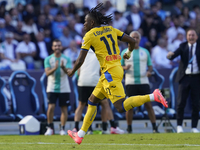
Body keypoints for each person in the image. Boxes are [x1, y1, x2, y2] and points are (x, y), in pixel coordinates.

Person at [67, 3, 168, 145]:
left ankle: (153, 96)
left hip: (109, 73)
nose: (83, 24)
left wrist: (72, 71)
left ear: (91, 22)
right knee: (92, 100)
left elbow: (79, 60)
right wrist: (128, 53)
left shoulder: (89, 35)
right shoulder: (111, 29)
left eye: (85, 21)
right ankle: (80, 135)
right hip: (113, 70)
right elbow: (132, 41)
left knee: (120, 107)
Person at [73, 49, 124, 134]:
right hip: (95, 81)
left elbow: (78, 71)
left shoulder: (82, 51)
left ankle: (77, 128)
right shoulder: (101, 51)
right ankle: (111, 127)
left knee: (82, 105)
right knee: (105, 104)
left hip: (82, 81)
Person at [121, 31, 159, 133]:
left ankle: (154, 128)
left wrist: (149, 72)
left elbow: (150, 66)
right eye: (133, 37)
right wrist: (125, 67)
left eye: (137, 37)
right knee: (130, 106)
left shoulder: (145, 52)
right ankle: (129, 129)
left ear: (140, 39)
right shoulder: (125, 52)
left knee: (148, 105)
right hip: (130, 82)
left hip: (143, 82)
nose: (135, 39)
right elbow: (119, 66)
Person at [167, 29, 200, 133]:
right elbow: (173, 55)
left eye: (193, 35)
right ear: (186, 37)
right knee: (181, 102)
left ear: (196, 37)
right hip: (184, 78)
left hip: (196, 78)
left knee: (196, 104)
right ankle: (179, 126)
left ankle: (194, 127)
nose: (191, 37)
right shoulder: (183, 46)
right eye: (189, 35)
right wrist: (170, 55)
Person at [44, 39, 72, 135]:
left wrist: (63, 67)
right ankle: (50, 128)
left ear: (61, 47)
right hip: (51, 87)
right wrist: (55, 68)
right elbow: (47, 73)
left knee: (64, 108)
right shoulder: (48, 59)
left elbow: (70, 73)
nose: (57, 47)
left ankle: (62, 129)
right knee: (51, 107)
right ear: (52, 47)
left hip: (64, 87)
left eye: (59, 45)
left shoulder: (66, 59)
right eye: (55, 46)